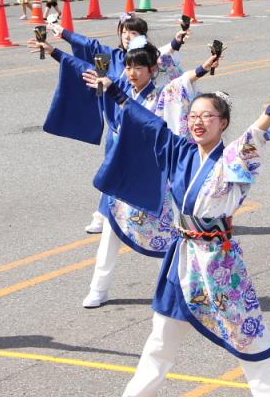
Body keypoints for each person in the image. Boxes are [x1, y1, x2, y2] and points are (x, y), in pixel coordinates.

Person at [90, 74, 270, 397]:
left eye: (207, 116)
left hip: (219, 262)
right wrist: (114, 90)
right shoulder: (178, 151)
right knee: (162, 333)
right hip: (182, 255)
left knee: (249, 337)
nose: (197, 121)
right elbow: (148, 124)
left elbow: (256, 133)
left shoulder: (232, 156)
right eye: (193, 115)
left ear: (222, 123)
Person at [34, 33, 214, 308]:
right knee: (110, 232)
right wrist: (54, 51)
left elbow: (185, 81)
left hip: (151, 173)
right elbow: (86, 71)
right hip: (122, 166)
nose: (131, 73)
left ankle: (177, 290)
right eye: (129, 67)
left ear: (152, 69)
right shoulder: (119, 84)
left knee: (164, 238)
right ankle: (99, 288)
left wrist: (204, 66)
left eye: (138, 68)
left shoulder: (163, 95)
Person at [48, 13, 187, 234]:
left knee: (148, 173)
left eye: (133, 33)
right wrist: (62, 33)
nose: (127, 36)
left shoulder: (146, 61)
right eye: (124, 32)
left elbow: (163, 56)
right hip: (117, 130)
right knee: (112, 170)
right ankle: (103, 215)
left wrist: (177, 43)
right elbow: (88, 46)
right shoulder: (111, 56)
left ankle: (158, 213)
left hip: (141, 129)